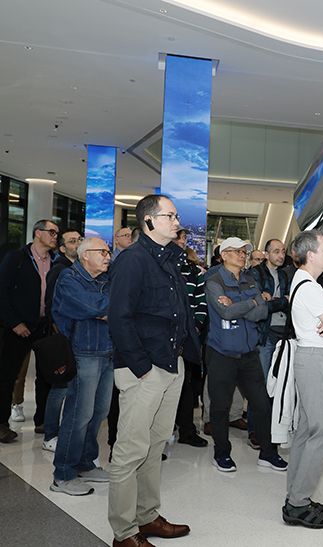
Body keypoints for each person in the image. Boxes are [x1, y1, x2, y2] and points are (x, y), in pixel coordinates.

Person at [107, 195, 200, 547]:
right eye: (170, 216)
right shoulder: (133, 260)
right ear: (148, 221)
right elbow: (119, 318)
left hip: (171, 363)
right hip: (144, 369)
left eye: (176, 216)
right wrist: (142, 367)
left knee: (156, 444)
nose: (177, 221)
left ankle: (146, 516)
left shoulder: (170, 258)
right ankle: (124, 532)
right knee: (130, 451)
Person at [204, 237, 288, 472]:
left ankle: (268, 453)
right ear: (224, 255)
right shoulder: (213, 281)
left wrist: (238, 305)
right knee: (220, 407)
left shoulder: (250, 280)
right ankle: (221, 452)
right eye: (237, 251)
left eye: (244, 252)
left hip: (249, 353)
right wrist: (252, 301)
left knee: (261, 404)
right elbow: (225, 313)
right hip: (221, 353)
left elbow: (262, 313)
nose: (243, 255)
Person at [283, 230, 323, 529]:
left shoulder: (309, 284)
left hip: (313, 361)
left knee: (307, 431)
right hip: (318, 362)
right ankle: (297, 503)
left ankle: (296, 495)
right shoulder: (310, 288)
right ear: (310, 255)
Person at [50, 237, 114, 495]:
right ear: (85, 254)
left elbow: (110, 308)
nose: (108, 256)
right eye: (103, 252)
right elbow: (93, 305)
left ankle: (86, 463)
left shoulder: (105, 279)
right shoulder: (69, 278)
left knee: (99, 412)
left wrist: (104, 310)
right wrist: (104, 309)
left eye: (109, 252)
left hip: (108, 353)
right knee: (79, 414)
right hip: (83, 353)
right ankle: (63, 474)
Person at [0, 219, 58, 443]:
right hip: (18, 328)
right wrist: (14, 322)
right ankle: (2, 424)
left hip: (44, 327)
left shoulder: (56, 261)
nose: (55, 236)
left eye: (56, 233)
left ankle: (43, 422)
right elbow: (2, 292)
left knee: (46, 377)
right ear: (38, 233)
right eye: (51, 232)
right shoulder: (17, 258)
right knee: (8, 376)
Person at [41, 229, 83, 452]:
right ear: (63, 248)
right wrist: (63, 337)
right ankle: (50, 435)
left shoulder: (79, 269)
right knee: (60, 388)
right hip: (65, 339)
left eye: (80, 240)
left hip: (77, 339)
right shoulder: (60, 270)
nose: (78, 243)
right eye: (72, 241)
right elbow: (52, 306)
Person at [246, 238, 289, 450]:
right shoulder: (256, 274)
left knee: (279, 386)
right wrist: (283, 300)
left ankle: (273, 429)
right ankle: (255, 430)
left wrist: (276, 301)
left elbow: (291, 304)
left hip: (284, 336)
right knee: (260, 385)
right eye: (276, 251)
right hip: (264, 335)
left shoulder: (285, 275)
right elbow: (262, 306)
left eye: (283, 251)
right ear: (267, 254)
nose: (280, 255)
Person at [171, 227, 208, 449]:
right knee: (164, 385)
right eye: (178, 237)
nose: (182, 241)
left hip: (189, 336)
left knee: (187, 384)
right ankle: (162, 433)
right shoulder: (161, 266)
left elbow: (201, 302)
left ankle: (186, 430)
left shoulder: (193, 269)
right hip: (165, 337)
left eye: (184, 238)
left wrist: (195, 326)